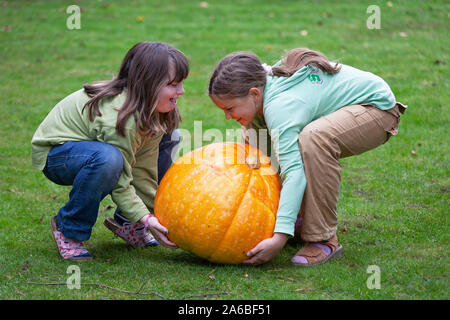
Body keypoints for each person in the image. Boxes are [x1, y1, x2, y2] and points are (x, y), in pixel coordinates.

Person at [208, 48, 407, 266]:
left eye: (229, 108)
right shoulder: (262, 94)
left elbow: (294, 173)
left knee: (314, 139)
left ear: (255, 94)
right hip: (345, 109)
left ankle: (322, 238)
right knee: (256, 140)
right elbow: (266, 162)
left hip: (377, 109)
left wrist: (279, 237)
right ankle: (297, 218)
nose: (227, 117)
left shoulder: (280, 106)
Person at [31, 42, 187, 260]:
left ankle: (128, 222)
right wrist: (148, 219)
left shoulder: (154, 109)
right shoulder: (121, 118)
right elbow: (121, 181)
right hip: (57, 155)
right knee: (108, 160)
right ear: (148, 85)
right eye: (173, 84)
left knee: (171, 136)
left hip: (96, 153)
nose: (181, 91)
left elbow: (143, 170)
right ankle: (69, 229)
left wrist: (154, 216)